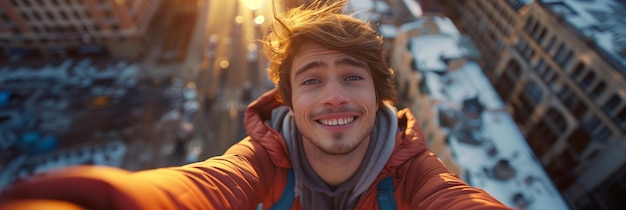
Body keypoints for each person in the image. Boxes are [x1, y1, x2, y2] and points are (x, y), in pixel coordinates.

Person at [0, 1, 511, 209]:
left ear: (379, 95)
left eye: (352, 76)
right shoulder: (262, 161)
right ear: (288, 102)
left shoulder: (417, 177)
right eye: (312, 80)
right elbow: (200, 189)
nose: (334, 95)